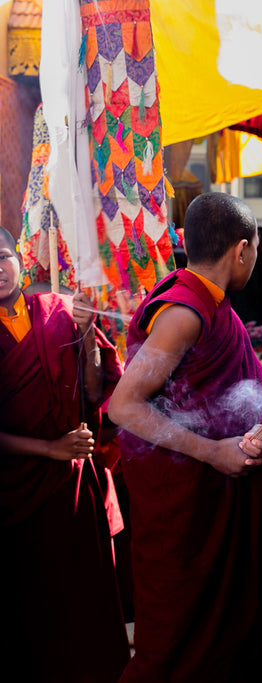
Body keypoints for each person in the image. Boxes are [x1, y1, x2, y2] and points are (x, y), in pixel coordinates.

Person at [109, 193, 262, 682]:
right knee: (177, 650)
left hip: (215, 497)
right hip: (186, 509)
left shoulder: (211, 304)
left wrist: (261, 431)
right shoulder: (185, 312)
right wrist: (213, 451)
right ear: (242, 250)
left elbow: (227, 397)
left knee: (223, 643)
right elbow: (123, 406)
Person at [0, 226, 129, 682]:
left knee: (82, 601)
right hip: (14, 488)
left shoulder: (56, 310)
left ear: (18, 257)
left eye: (2, 256)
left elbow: (94, 393)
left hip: (70, 485)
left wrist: (87, 334)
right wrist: (51, 449)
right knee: (28, 605)